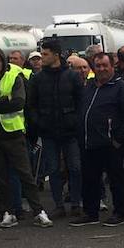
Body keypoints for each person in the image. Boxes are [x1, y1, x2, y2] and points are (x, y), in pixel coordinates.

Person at [0, 48, 53, 229]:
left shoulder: (14, 77)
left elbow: (18, 103)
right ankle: (8, 212)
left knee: (25, 174)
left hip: (13, 133)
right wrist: (3, 101)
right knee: (0, 176)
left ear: (3, 62)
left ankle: (39, 211)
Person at [74, 51, 124, 226]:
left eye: (104, 65)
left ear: (112, 66)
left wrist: (118, 139)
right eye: (98, 65)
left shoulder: (121, 87)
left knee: (116, 180)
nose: (101, 69)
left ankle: (119, 212)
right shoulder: (89, 87)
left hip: (111, 144)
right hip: (89, 142)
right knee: (90, 180)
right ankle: (90, 213)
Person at [26, 39, 85, 218]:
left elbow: (81, 101)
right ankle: (59, 205)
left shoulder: (72, 76)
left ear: (56, 55)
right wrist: (39, 123)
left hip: (70, 131)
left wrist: (75, 121)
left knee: (75, 167)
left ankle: (76, 202)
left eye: (45, 54)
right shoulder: (37, 79)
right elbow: (31, 105)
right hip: (49, 131)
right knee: (53, 169)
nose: (42, 58)